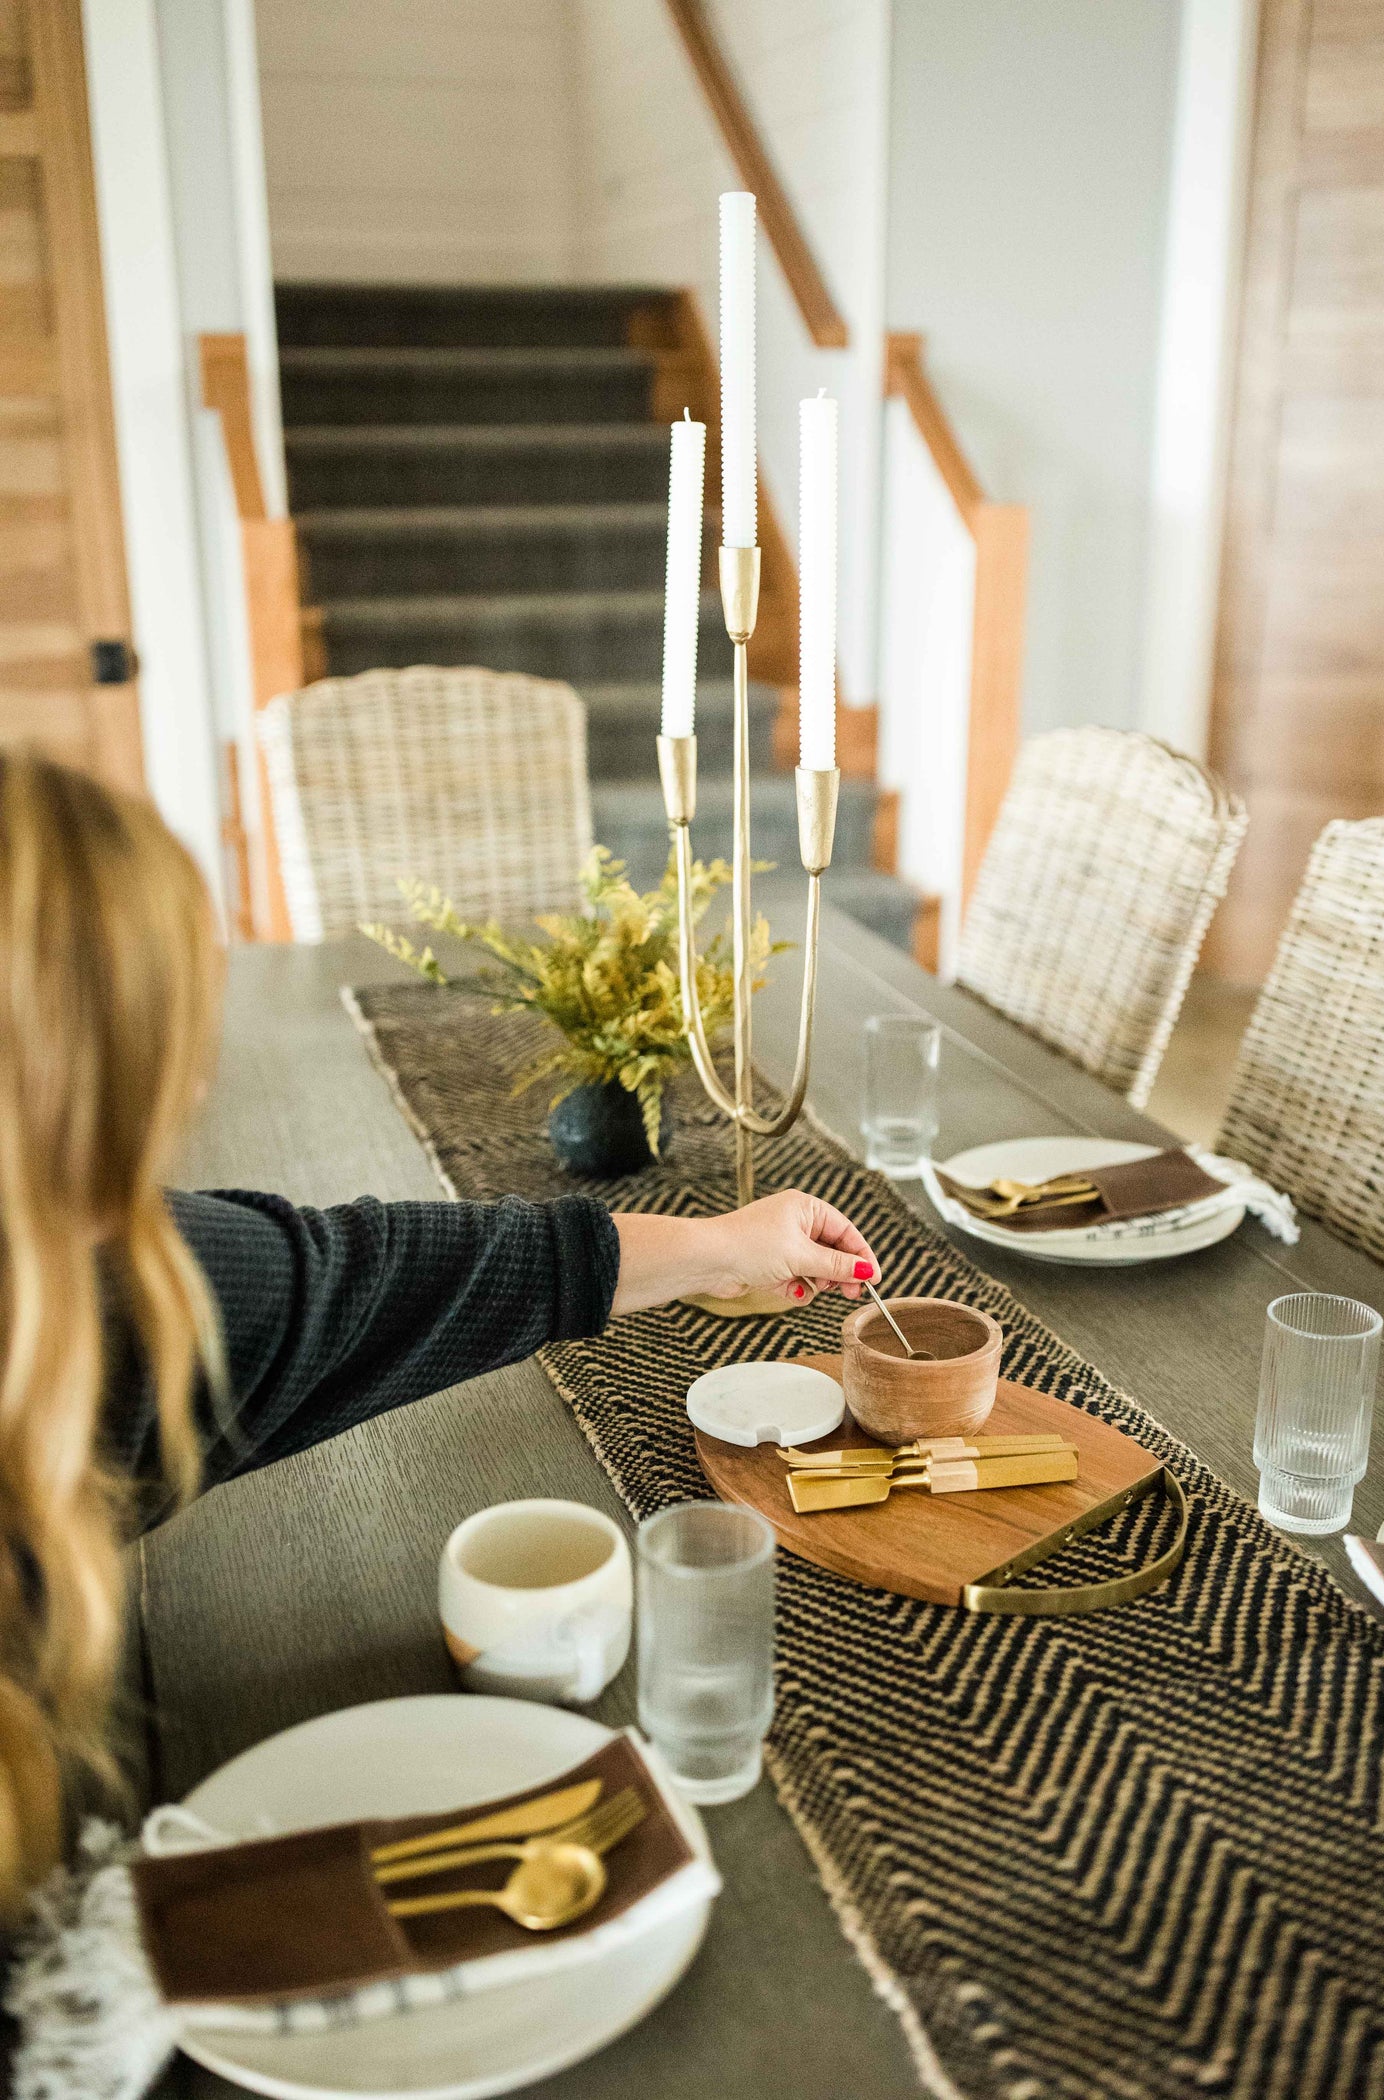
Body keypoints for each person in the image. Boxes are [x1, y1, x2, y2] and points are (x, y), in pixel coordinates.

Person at [0, 752, 879, 1917]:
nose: (202, 1078)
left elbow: (370, 1280)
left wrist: (720, 1247)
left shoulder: (120, 1287)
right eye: (174, 1033)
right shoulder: (109, 1312)